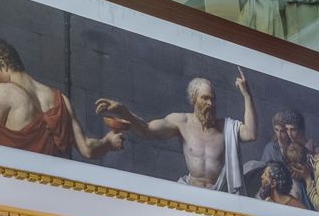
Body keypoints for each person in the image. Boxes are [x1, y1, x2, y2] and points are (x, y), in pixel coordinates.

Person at [0, 38, 123, 160]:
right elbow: (87, 149)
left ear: (2, 64)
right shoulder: (61, 100)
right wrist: (107, 143)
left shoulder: (4, 92)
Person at [96, 70, 257, 190]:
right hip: (191, 191)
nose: (210, 104)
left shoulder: (226, 127)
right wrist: (123, 110)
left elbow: (250, 133)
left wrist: (247, 95)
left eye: (213, 99)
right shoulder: (181, 122)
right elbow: (146, 130)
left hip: (219, 194)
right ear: (194, 100)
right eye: (205, 98)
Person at [244, 108, 307, 201]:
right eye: (276, 130)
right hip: (272, 184)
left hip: (290, 184)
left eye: (282, 131)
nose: (279, 135)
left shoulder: (295, 147)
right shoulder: (270, 148)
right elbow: (265, 170)